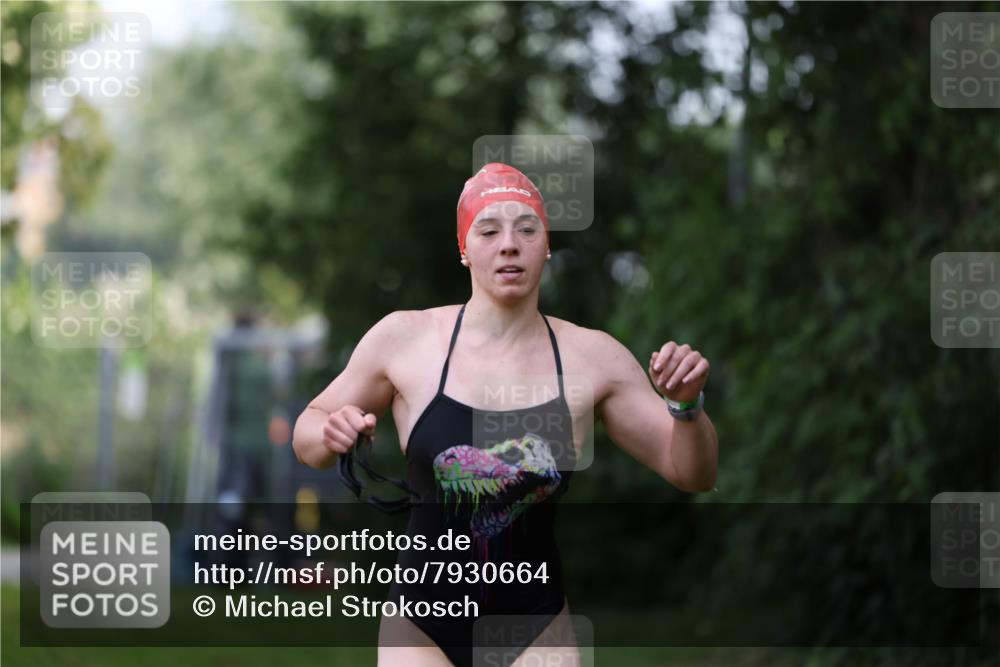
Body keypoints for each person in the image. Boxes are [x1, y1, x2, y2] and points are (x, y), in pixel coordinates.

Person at [293, 162, 719, 666]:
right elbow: (308, 433)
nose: (509, 244)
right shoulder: (405, 341)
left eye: (527, 229)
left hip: (536, 627)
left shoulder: (592, 358)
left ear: (547, 246)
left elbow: (693, 473)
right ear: (464, 249)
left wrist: (686, 406)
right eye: (489, 230)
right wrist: (330, 428)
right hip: (421, 627)